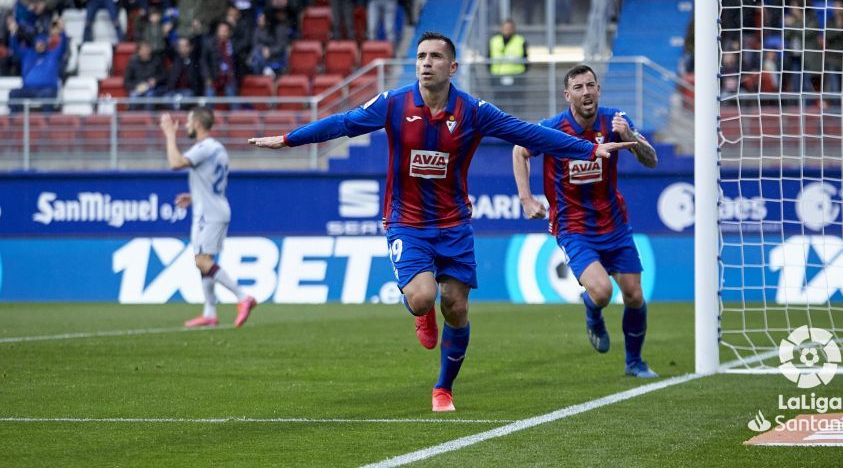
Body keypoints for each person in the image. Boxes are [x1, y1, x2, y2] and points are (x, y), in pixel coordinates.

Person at [249, 32, 634, 411]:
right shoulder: (394, 104)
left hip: (453, 224)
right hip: (407, 220)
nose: (426, 63)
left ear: (452, 67)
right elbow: (343, 123)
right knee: (422, 299)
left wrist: (589, 148)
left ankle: (443, 389)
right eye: (421, 57)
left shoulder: (473, 111)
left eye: (434, 57)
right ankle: (422, 315)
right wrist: (289, 138)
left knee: (456, 306)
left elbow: (529, 134)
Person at [511, 64, 659, 379]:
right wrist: (526, 199)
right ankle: (593, 311)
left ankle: (634, 363)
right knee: (602, 292)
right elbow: (519, 150)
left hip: (614, 223)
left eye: (591, 85)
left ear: (598, 90)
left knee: (634, 295)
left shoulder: (615, 121)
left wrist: (630, 137)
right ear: (568, 96)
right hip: (573, 227)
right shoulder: (552, 129)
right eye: (578, 87)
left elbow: (651, 160)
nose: (586, 92)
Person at [159, 108, 257, 328]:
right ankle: (210, 312)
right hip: (213, 208)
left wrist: (170, 135)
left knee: (202, 261)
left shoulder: (204, 148)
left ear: (197, 124)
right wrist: (194, 196)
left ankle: (243, 297)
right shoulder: (218, 148)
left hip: (209, 214)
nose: (186, 126)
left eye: (188, 122)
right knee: (203, 261)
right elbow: (211, 182)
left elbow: (175, 163)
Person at [6, 17, 67, 112]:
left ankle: (46, 120)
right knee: (13, 93)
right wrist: (13, 33)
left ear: (46, 44)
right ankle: (14, 119)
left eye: (42, 43)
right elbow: (15, 48)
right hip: (28, 89)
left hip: (47, 89)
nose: (40, 45)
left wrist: (62, 31)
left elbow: (63, 46)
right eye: (38, 43)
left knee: (48, 95)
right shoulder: (27, 54)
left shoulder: (53, 54)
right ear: (35, 44)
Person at [487, 18, 528, 111]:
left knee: (517, 101)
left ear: (513, 29)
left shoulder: (520, 40)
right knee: (499, 102)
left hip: (516, 75)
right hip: (497, 75)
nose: (507, 30)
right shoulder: (494, 40)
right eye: (505, 28)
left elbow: (525, 58)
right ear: (501, 28)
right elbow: (488, 56)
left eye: (509, 28)